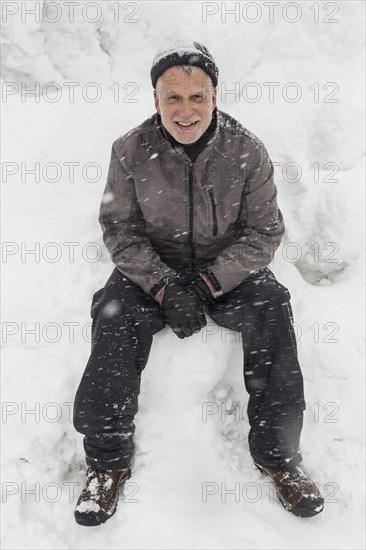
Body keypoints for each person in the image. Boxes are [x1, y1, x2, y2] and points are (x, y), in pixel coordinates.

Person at [73, 40, 324, 526]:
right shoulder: (129, 151)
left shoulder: (246, 150)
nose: (185, 111)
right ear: (156, 101)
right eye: (173, 98)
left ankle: (279, 457)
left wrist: (209, 284)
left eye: (197, 97)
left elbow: (265, 233)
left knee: (274, 305)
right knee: (111, 312)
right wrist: (165, 286)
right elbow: (120, 232)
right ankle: (106, 462)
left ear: (214, 95)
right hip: (152, 267)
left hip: (226, 265)